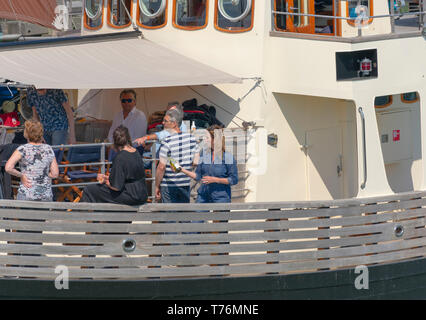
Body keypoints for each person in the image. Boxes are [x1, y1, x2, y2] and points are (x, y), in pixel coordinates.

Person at [81, 125, 148, 205]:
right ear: (128, 138)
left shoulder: (120, 157)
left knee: (89, 190)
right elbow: (128, 177)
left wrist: (105, 180)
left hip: (131, 196)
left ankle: (83, 216)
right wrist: (108, 178)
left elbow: (116, 187)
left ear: (115, 141)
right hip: (142, 193)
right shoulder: (136, 152)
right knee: (99, 191)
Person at [180, 125, 238, 203]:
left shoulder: (228, 157)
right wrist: (182, 170)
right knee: (197, 214)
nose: (205, 140)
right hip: (203, 195)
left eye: (207, 137)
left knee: (219, 215)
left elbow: (234, 179)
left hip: (221, 197)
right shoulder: (204, 154)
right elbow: (198, 176)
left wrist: (216, 180)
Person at [5, 120, 59, 201]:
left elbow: (8, 168)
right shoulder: (48, 149)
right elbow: (55, 174)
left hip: (26, 194)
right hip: (45, 195)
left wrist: (21, 175)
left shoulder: (22, 149)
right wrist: (44, 176)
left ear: (26, 134)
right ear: (41, 133)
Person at [155, 108, 197, 203]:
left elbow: (161, 167)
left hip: (169, 186)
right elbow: (195, 162)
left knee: (170, 217)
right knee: (184, 216)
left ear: (174, 123)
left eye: (165, 121)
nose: (163, 123)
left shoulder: (167, 141)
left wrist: (156, 186)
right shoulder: (191, 139)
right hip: (185, 184)